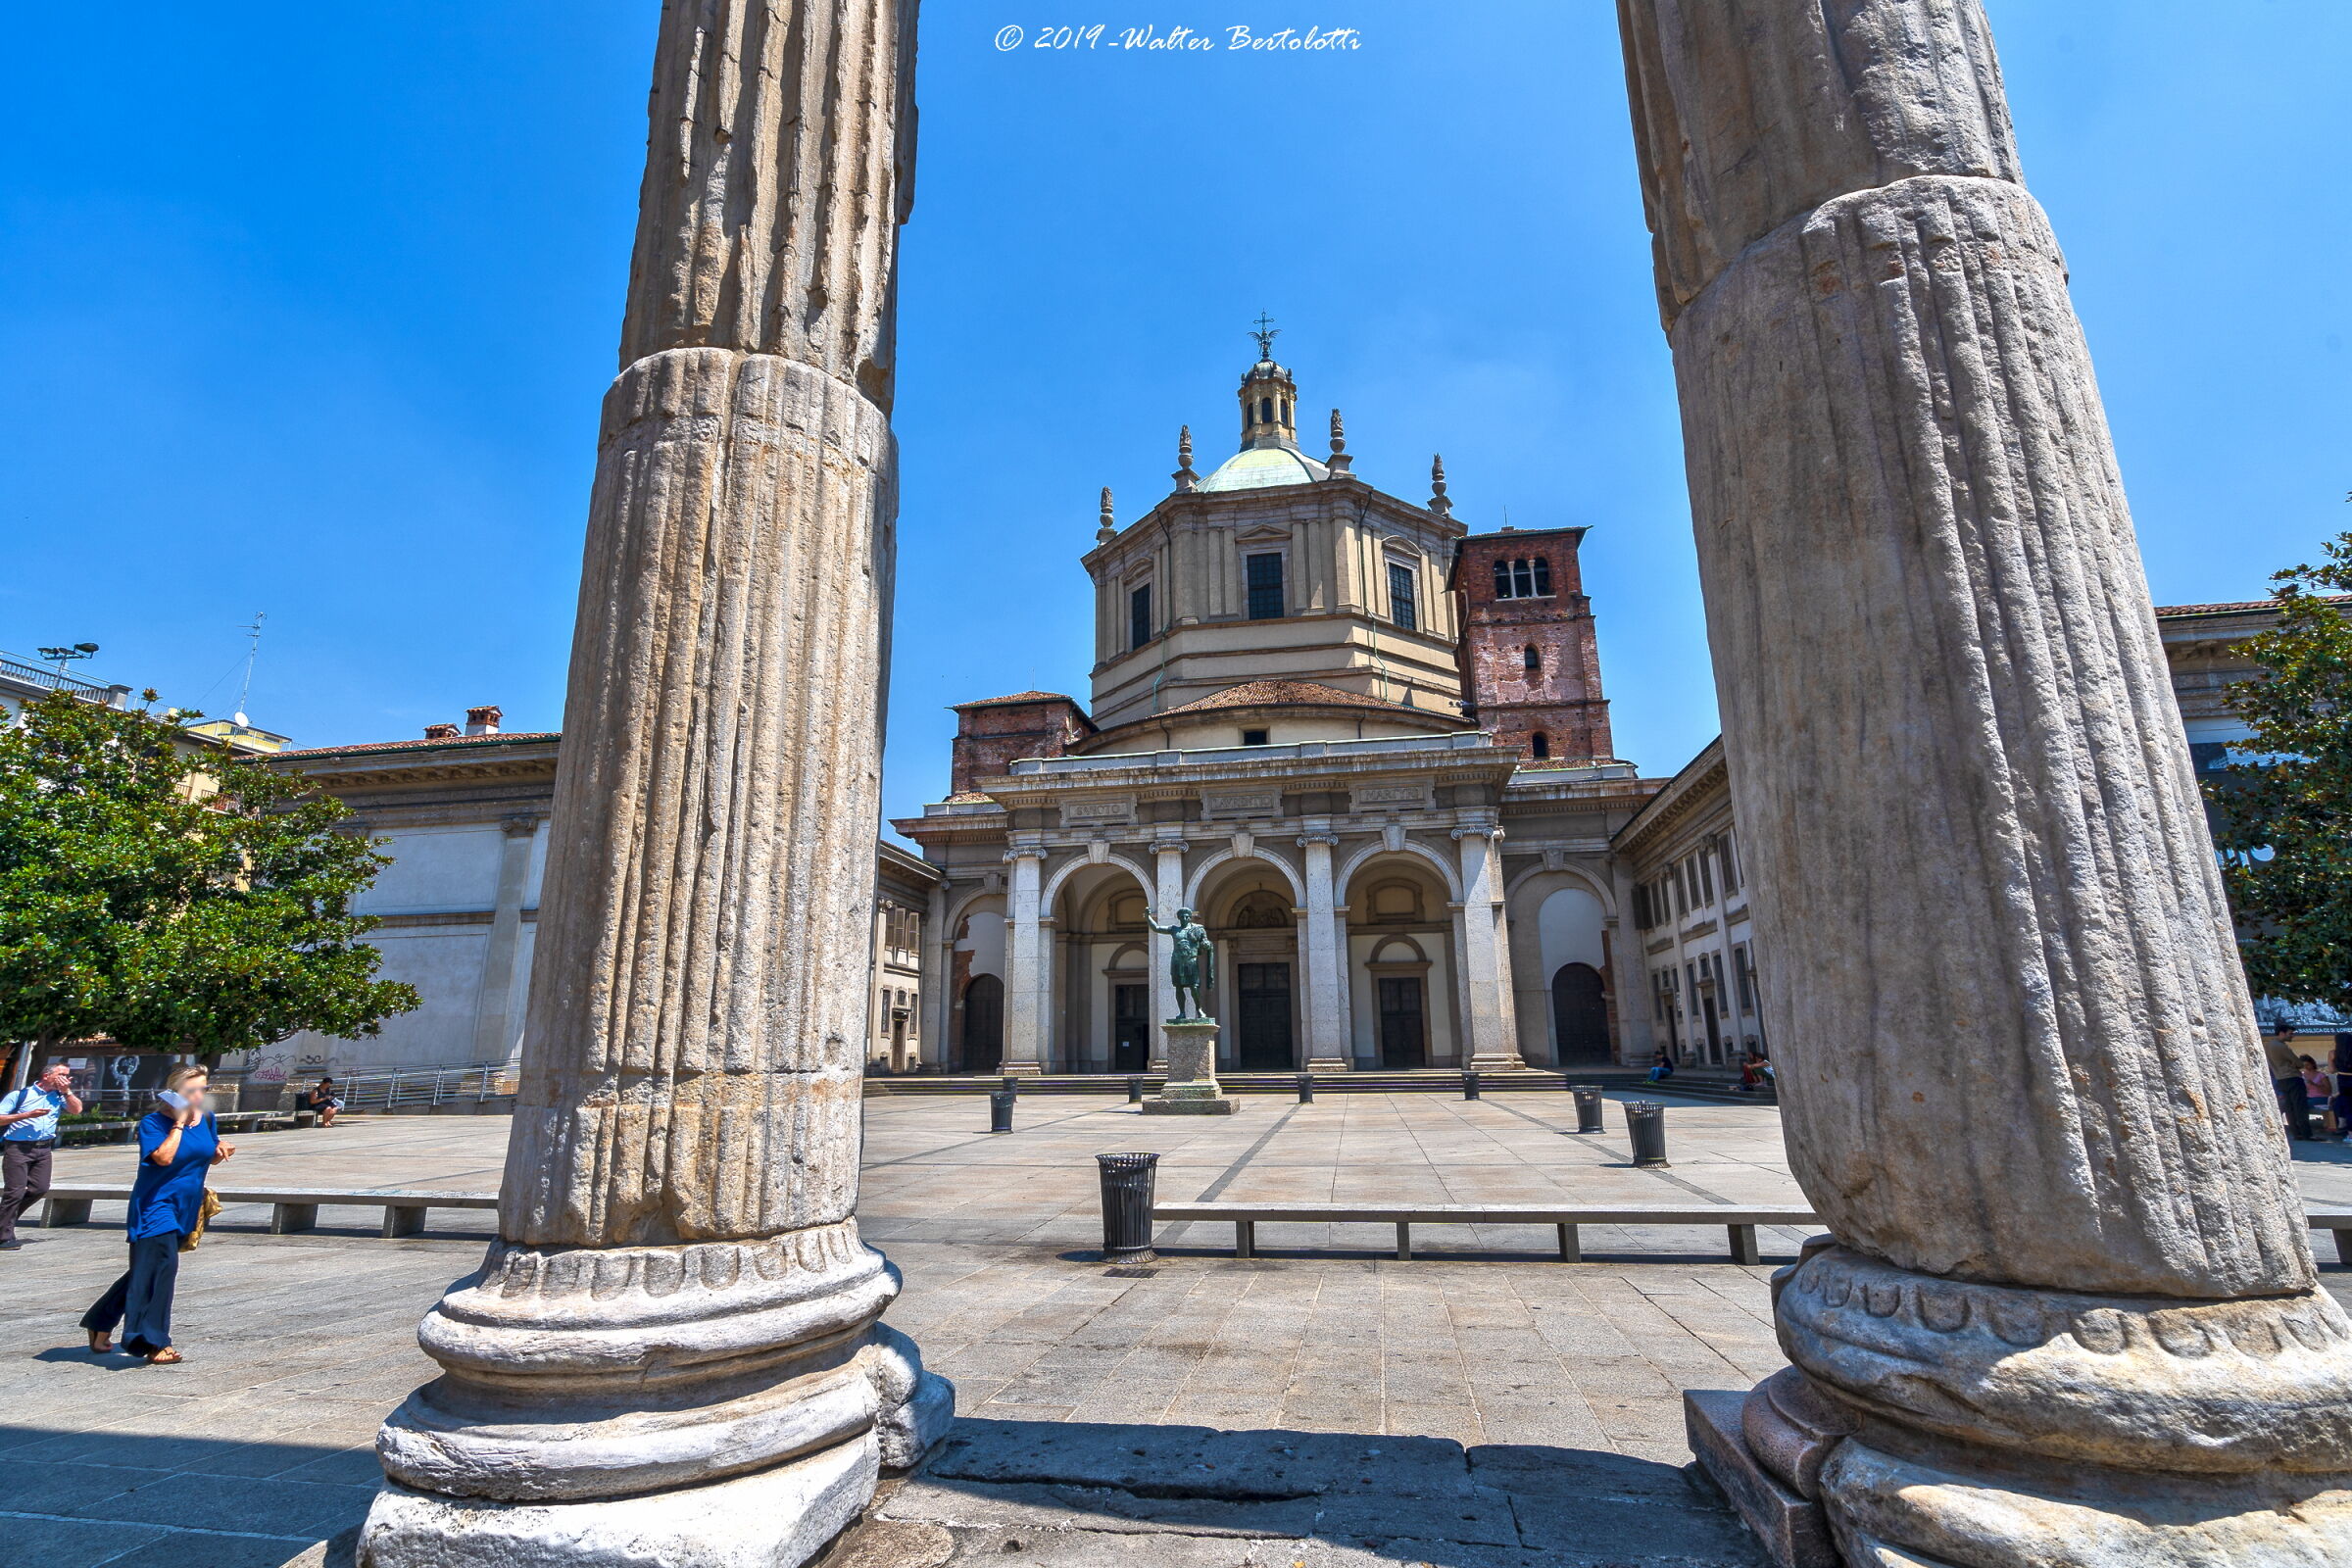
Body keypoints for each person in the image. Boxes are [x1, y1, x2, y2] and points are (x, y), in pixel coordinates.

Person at [80, 1065, 234, 1363]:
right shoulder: (153, 1123)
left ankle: (100, 1320)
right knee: (163, 1268)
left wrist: (221, 1149)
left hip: (186, 1206)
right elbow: (163, 1157)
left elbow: (206, 1156)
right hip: (155, 1205)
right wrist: (179, 1124)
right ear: (173, 1093)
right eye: (191, 1090)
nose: (198, 1096)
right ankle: (152, 1341)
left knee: (148, 1268)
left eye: (202, 1089)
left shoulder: (207, 1119)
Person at [1, 1062, 82, 1251]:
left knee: (40, 1188)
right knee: (15, 1192)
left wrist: (67, 1092)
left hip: (44, 1149)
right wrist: (26, 1115)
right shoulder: (21, 1095)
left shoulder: (59, 1096)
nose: (66, 1079)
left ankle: (3, 1221)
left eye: (67, 1075)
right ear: (47, 1075)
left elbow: (77, 1110)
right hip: (18, 1148)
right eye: (62, 1075)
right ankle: (4, 1237)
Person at [2268, 1023, 2312, 1141]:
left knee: (2289, 1107)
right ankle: (2306, 1133)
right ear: (2282, 1033)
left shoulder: (2269, 1045)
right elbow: (2299, 1063)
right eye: (2290, 1033)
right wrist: (2296, 1064)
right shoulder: (2281, 1046)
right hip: (2292, 1078)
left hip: (2280, 1079)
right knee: (2300, 1106)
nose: (2292, 1036)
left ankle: (2296, 1133)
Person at [2302, 1057, 2335, 1137]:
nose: (2306, 1067)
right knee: (2297, 1102)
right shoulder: (2303, 1075)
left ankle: (2305, 1126)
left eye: (2308, 1065)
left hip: (2322, 1097)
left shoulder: (2321, 1075)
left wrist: (2315, 1085)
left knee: (2305, 1104)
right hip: (2308, 1097)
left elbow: (2328, 1091)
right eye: (2304, 1066)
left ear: (2312, 1064)